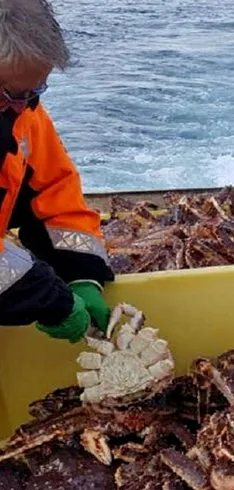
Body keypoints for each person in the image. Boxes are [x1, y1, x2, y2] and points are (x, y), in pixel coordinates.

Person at [0, 0, 114, 342]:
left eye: (35, 90)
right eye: (9, 93)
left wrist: (83, 273)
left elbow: (56, 192)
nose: (21, 105)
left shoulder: (24, 112)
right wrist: (48, 299)